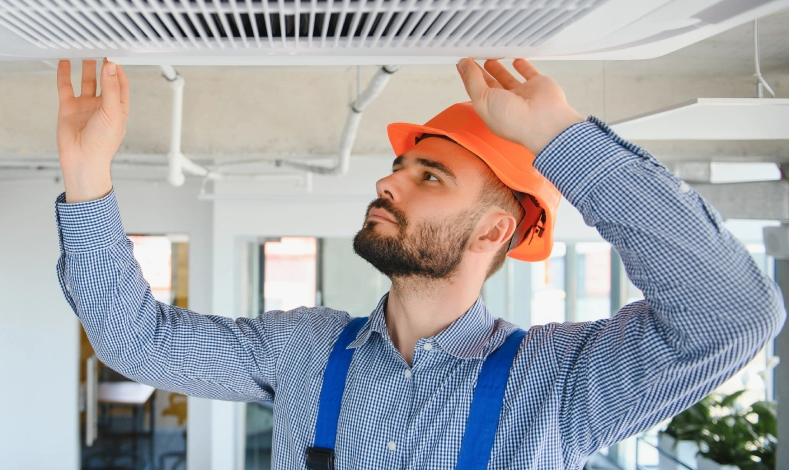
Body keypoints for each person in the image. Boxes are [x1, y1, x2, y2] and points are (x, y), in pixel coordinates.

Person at [54, 57, 785, 469]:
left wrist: (564, 139)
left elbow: (734, 315)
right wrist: (87, 176)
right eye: (400, 166)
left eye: (429, 176)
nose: (387, 181)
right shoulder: (305, 349)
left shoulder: (561, 385)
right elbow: (135, 340)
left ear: (493, 231)